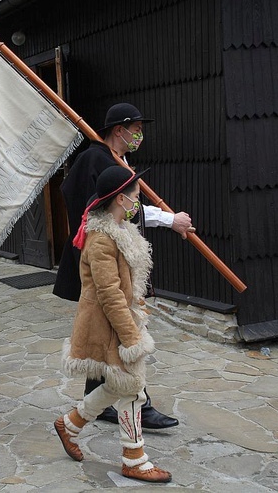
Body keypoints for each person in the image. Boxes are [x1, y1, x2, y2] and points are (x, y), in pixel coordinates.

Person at [53, 103, 189, 429]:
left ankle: (93, 404)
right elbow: (104, 212)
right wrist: (169, 220)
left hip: (118, 259)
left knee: (105, 336)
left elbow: (128, 209)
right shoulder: (95, 160)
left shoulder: (116, 161)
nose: (140, 135)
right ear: (120, 130)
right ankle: (139, 407)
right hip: (105, 263)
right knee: (124, 335)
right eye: (137, 128)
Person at [54, 166, 172, 483]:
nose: (138, 200)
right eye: (135, 196)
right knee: (132, 388)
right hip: (107, 326)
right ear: (121, 199)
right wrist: (131, 338)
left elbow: (128, 286)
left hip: (121, 321)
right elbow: (109, 294)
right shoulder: (102, 239)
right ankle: (134, 458)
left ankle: (71, 423)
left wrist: (139, 312)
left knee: (124, 386)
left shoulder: (121, 231)